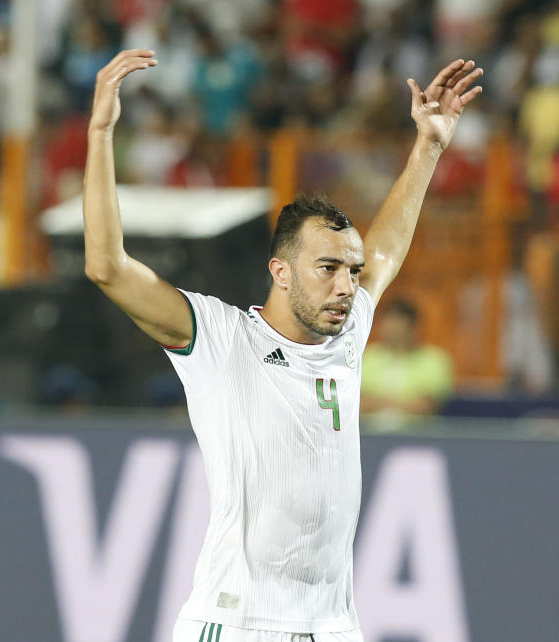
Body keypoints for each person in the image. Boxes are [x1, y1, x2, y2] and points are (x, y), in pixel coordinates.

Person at [83, 49, 482, 642]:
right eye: (328, 268)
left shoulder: (346, 331)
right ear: (281, 271)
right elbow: (109, 268)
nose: (347, 286)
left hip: (333, 626)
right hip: (237, 622)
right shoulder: (218, 339)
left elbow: (387, 252)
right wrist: (101, 131)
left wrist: (429, 144)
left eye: (351, 269)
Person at [361, 299, 454, 425]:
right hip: (368, 433)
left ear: (413, 327)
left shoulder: (434, 360)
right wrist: (403, 403)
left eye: (399, 323)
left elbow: (426, 405)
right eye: (388, 322)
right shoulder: (366, 356)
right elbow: (359, 402)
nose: (392, 329)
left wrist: (379, 402)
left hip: (417, 437)